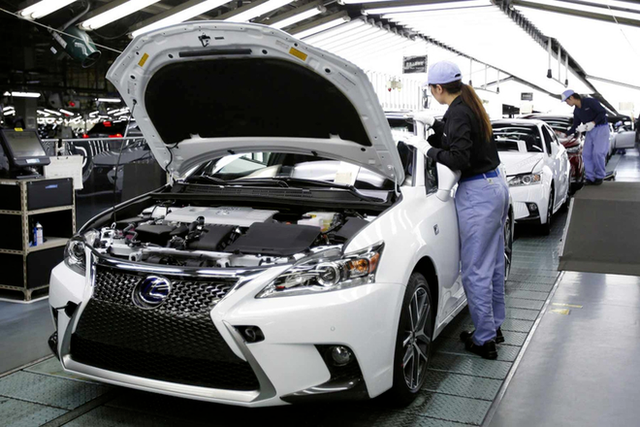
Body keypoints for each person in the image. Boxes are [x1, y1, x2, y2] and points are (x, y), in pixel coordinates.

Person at [406, 61, 510, 360]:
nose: (432, 93)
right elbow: (462, 140)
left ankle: (484, 340)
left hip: (478, 194)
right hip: (494, 186)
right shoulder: (466, 105)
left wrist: (426, 149)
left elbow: (459, 158)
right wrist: (435, 125)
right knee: (492, 265)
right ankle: (493, 327)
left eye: (431, 89)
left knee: (475, 270)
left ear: (438, 88)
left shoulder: (459, 112)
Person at [562, 90, 610, 185]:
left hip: (601, 128)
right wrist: (566, 134)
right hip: (589, 131)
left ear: (571, 97)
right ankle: (590, 177)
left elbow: (602, 112)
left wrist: (593, 122)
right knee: (586, 154)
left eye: (566, 101)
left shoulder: (589, 102)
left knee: (598, 153)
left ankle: (599, 176)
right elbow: (575, 125)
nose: (567, 103)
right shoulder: (577, 111)